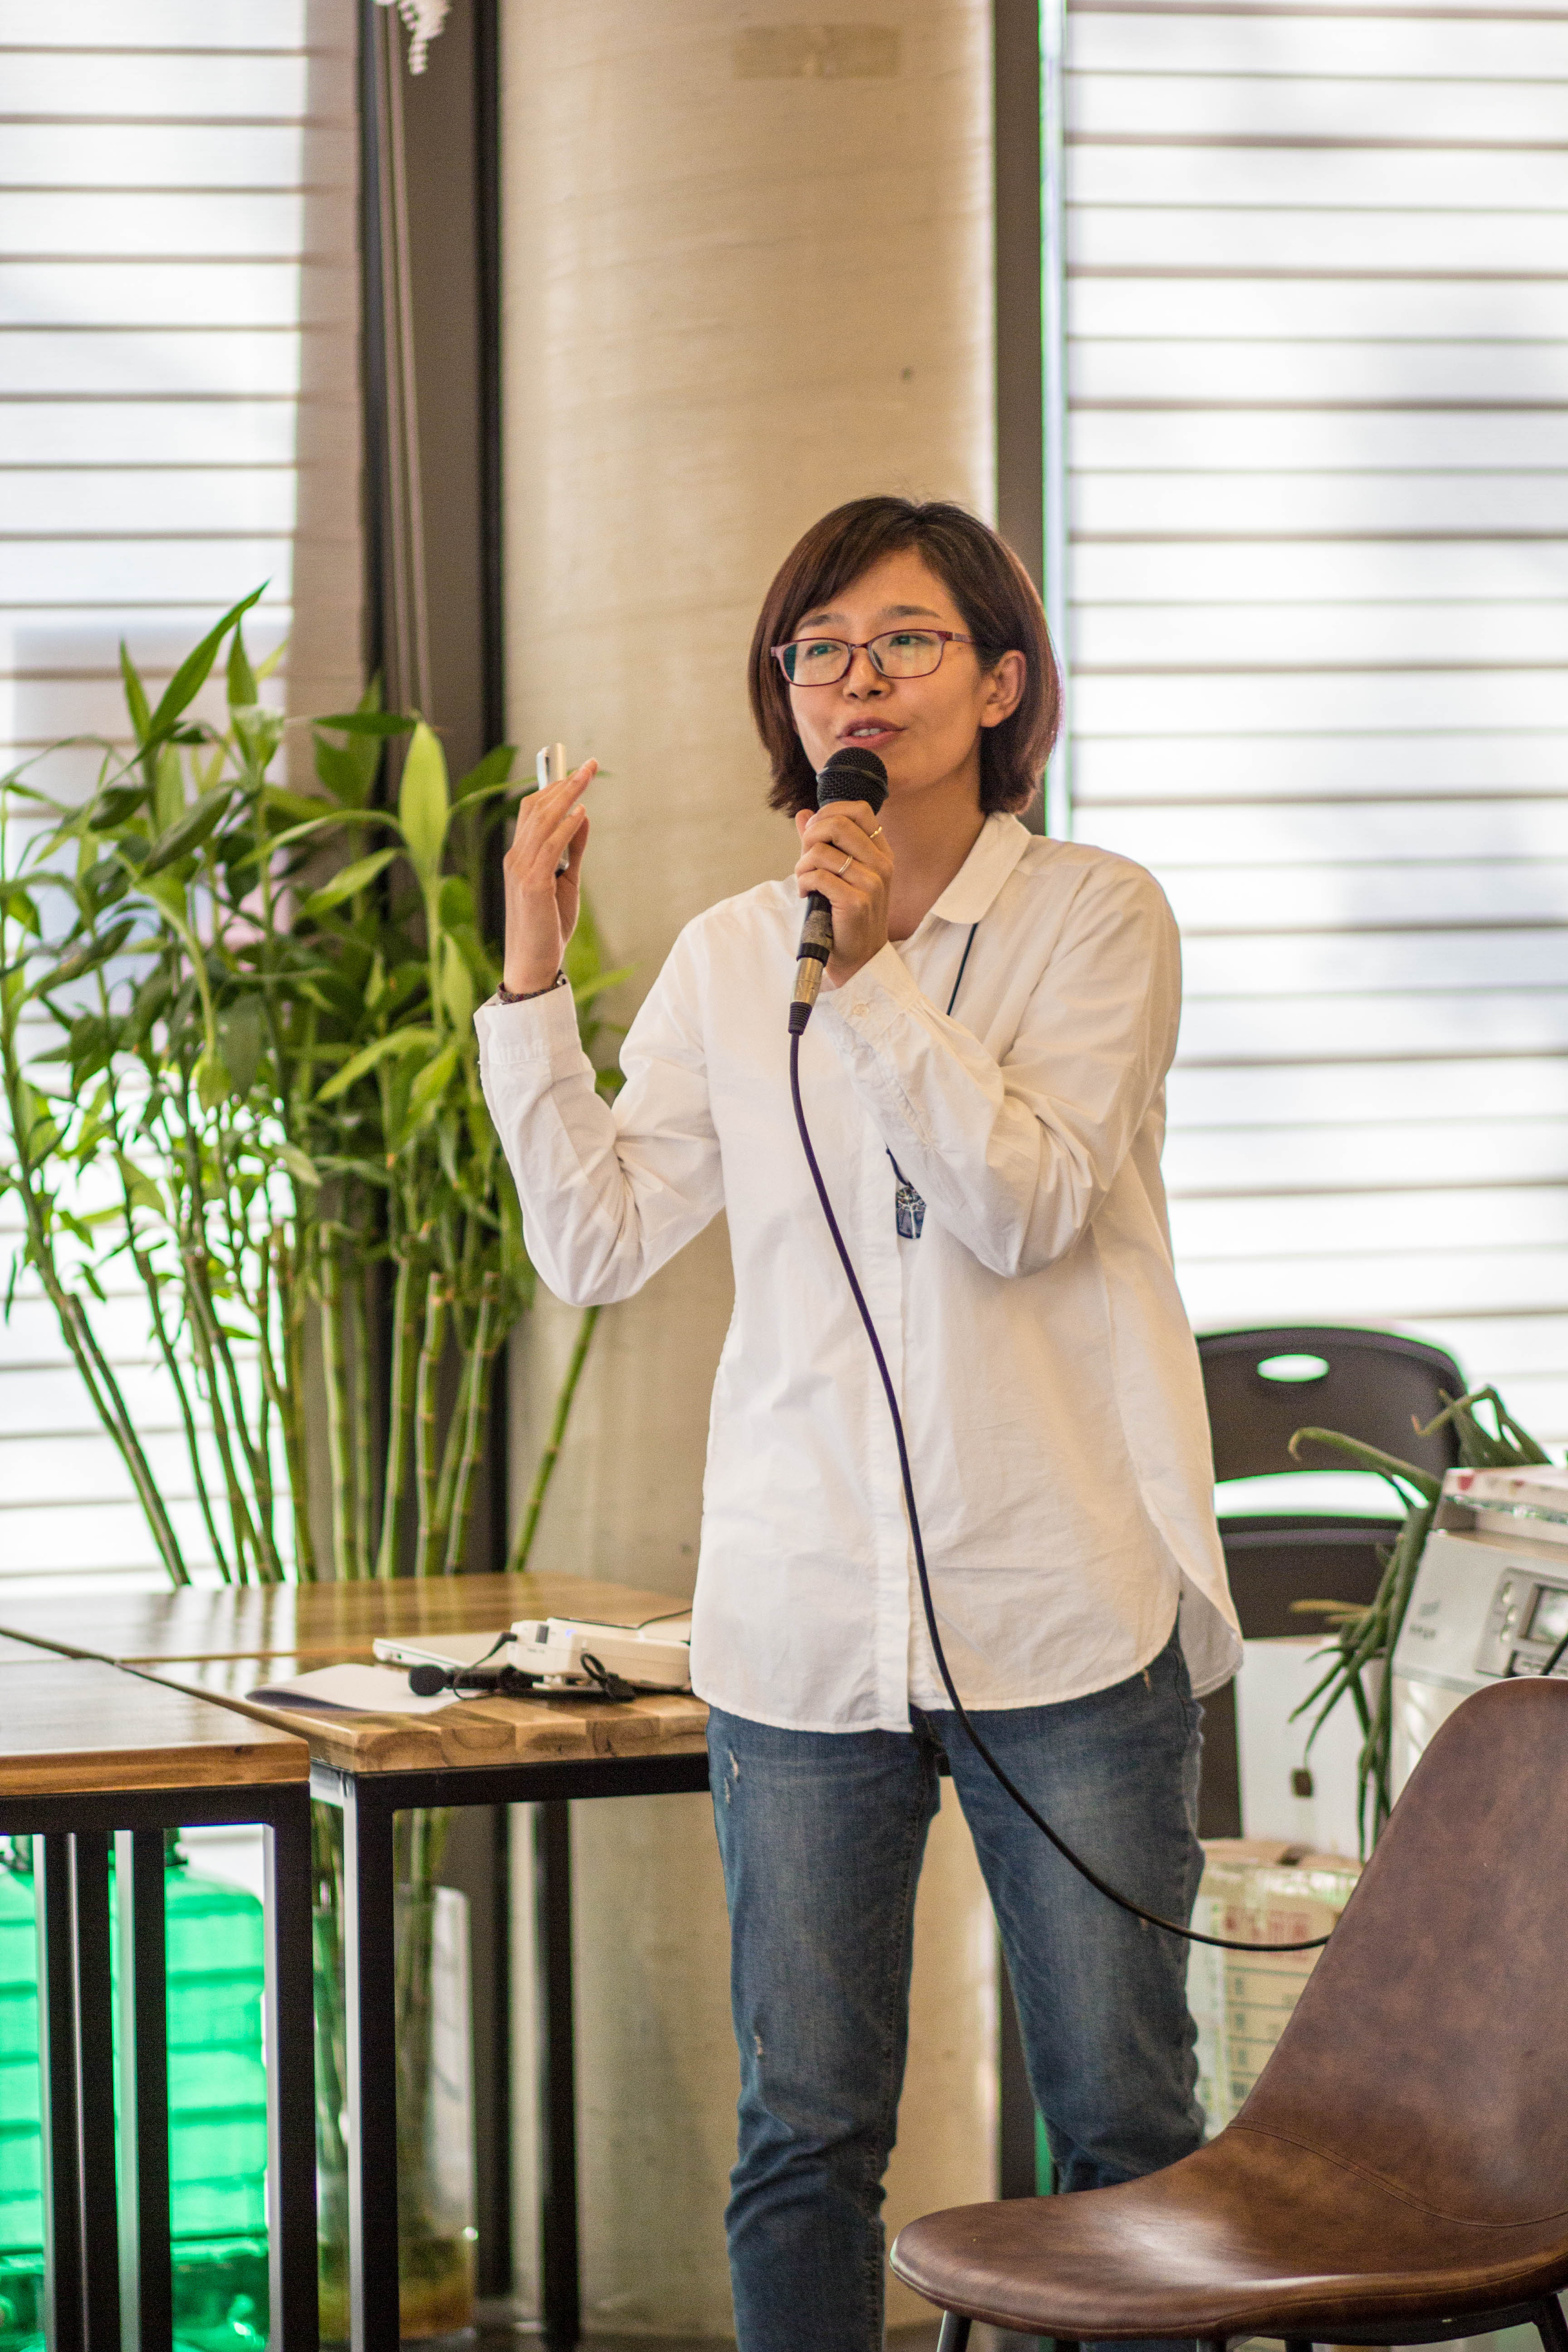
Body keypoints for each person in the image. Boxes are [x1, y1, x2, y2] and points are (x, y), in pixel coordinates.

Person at [476, 495, 1240, 2352]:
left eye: (904, 641)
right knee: (804, 2141)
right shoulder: (736, 953)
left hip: (1062, 1611)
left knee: (1125, 2128)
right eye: (819, 649)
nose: (857, 678)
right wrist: (533, 976)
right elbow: (596, 1240)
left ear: (1003, 682)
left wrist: (876, 962)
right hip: (804, 1629)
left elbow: (1022, 1206)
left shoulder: (1097, 918)